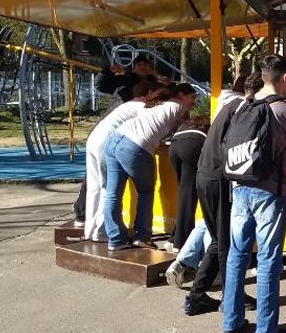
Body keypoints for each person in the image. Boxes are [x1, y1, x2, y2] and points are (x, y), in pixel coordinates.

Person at [221, 56, 286, 333]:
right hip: (270, 192)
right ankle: (266, 331)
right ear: (285, 77)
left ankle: (231, 322)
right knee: (268, 259)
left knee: (237, 255)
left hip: (239, 188)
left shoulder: (243, 105)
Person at [179, 72, 263, 316]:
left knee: (218, 240)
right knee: (227, 241)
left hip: (206, 175)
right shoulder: (244, 109)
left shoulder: (232, 105)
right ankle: (231, 296)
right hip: (219, 178)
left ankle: (196, 297)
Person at [101, 83, 197, 251]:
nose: (193, 102)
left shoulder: (158, 106)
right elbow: (186, 130)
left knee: (113, 193)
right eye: (192, 97)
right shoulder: (178, 107)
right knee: (145, 192)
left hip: (115, 139)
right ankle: (142, 236)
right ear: (181, 95)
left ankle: (115, 239)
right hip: (136, 146)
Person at [83, 80, 163, 242]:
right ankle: (102, 231)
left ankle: (90, 230)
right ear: (148, 93)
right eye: (157, 96)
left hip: (94, 139)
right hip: (106, 142)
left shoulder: (126, 105)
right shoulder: (141, 107)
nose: (159, 100)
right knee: (107, 188)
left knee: (94, 187)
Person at [166, 114, 211, 252]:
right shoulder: (207, 127)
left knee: (184, 193)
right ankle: (181, 242)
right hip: (193, 145)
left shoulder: (187, 125)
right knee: (189, 195)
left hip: (174, 145)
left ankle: (175, 237)